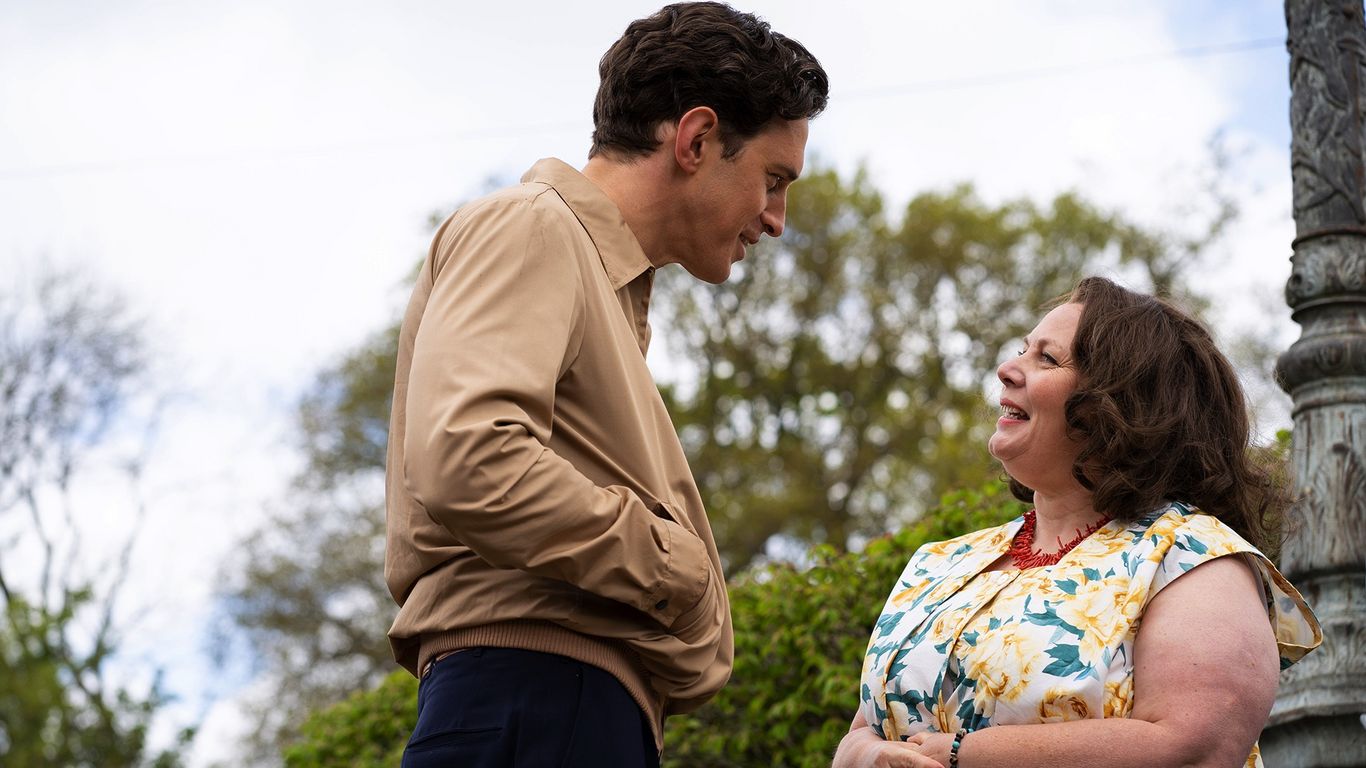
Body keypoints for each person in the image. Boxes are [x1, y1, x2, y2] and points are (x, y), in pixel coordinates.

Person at [383, 4, 828, 767]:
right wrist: (676, 568)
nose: (777, 218)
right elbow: (469, 458)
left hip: (555, 705)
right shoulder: (533, 227)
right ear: (696, 140)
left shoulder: (598, 281)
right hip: (538, 698)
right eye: (774, 179)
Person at [834, 276, 1322, 768]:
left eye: (1046, 358)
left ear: (1125, 404)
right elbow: (865, 729)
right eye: (1023, 351)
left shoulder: (1194, 559)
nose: (1006, 369)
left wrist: (965, 755)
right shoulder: (944, 562)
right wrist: (872, 757)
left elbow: (1193, 748)